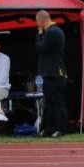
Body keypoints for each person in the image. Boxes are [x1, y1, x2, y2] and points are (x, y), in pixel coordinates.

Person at [35, 9, 69, 137]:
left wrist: (39, 35)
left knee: (57, 102)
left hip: (54, 72)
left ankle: (61, 129)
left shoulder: (53, 32)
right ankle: (50, 128)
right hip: (49, 73)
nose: (38, 26)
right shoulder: (52, 31)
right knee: (48, 102)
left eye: (38, 23)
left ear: (41, 20)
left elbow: (41, 47)